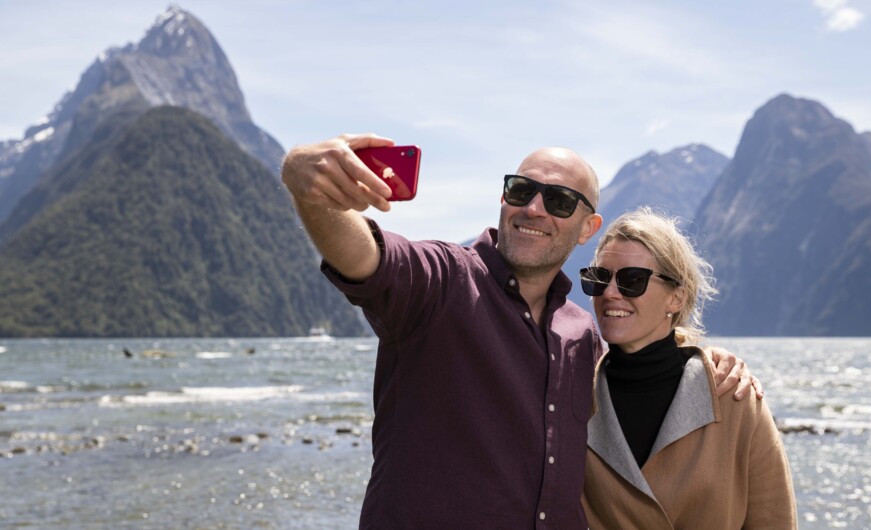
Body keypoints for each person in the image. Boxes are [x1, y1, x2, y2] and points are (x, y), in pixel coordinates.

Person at [280, 133, 760, 529]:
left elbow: (641, 349)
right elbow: (364, 257)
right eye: (520, 190)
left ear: (586, 227)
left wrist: (700, 356)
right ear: (503, 198)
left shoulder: (582, 334)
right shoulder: (440, 280)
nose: (534, 208)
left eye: (558, 200)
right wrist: (309, 185)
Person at [579, 208, 797, 529]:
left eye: (632, 280)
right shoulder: (572, 397)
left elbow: (774, 521)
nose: (610, 293)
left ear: (676, 298)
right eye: (599, 278)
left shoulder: (734, 397)